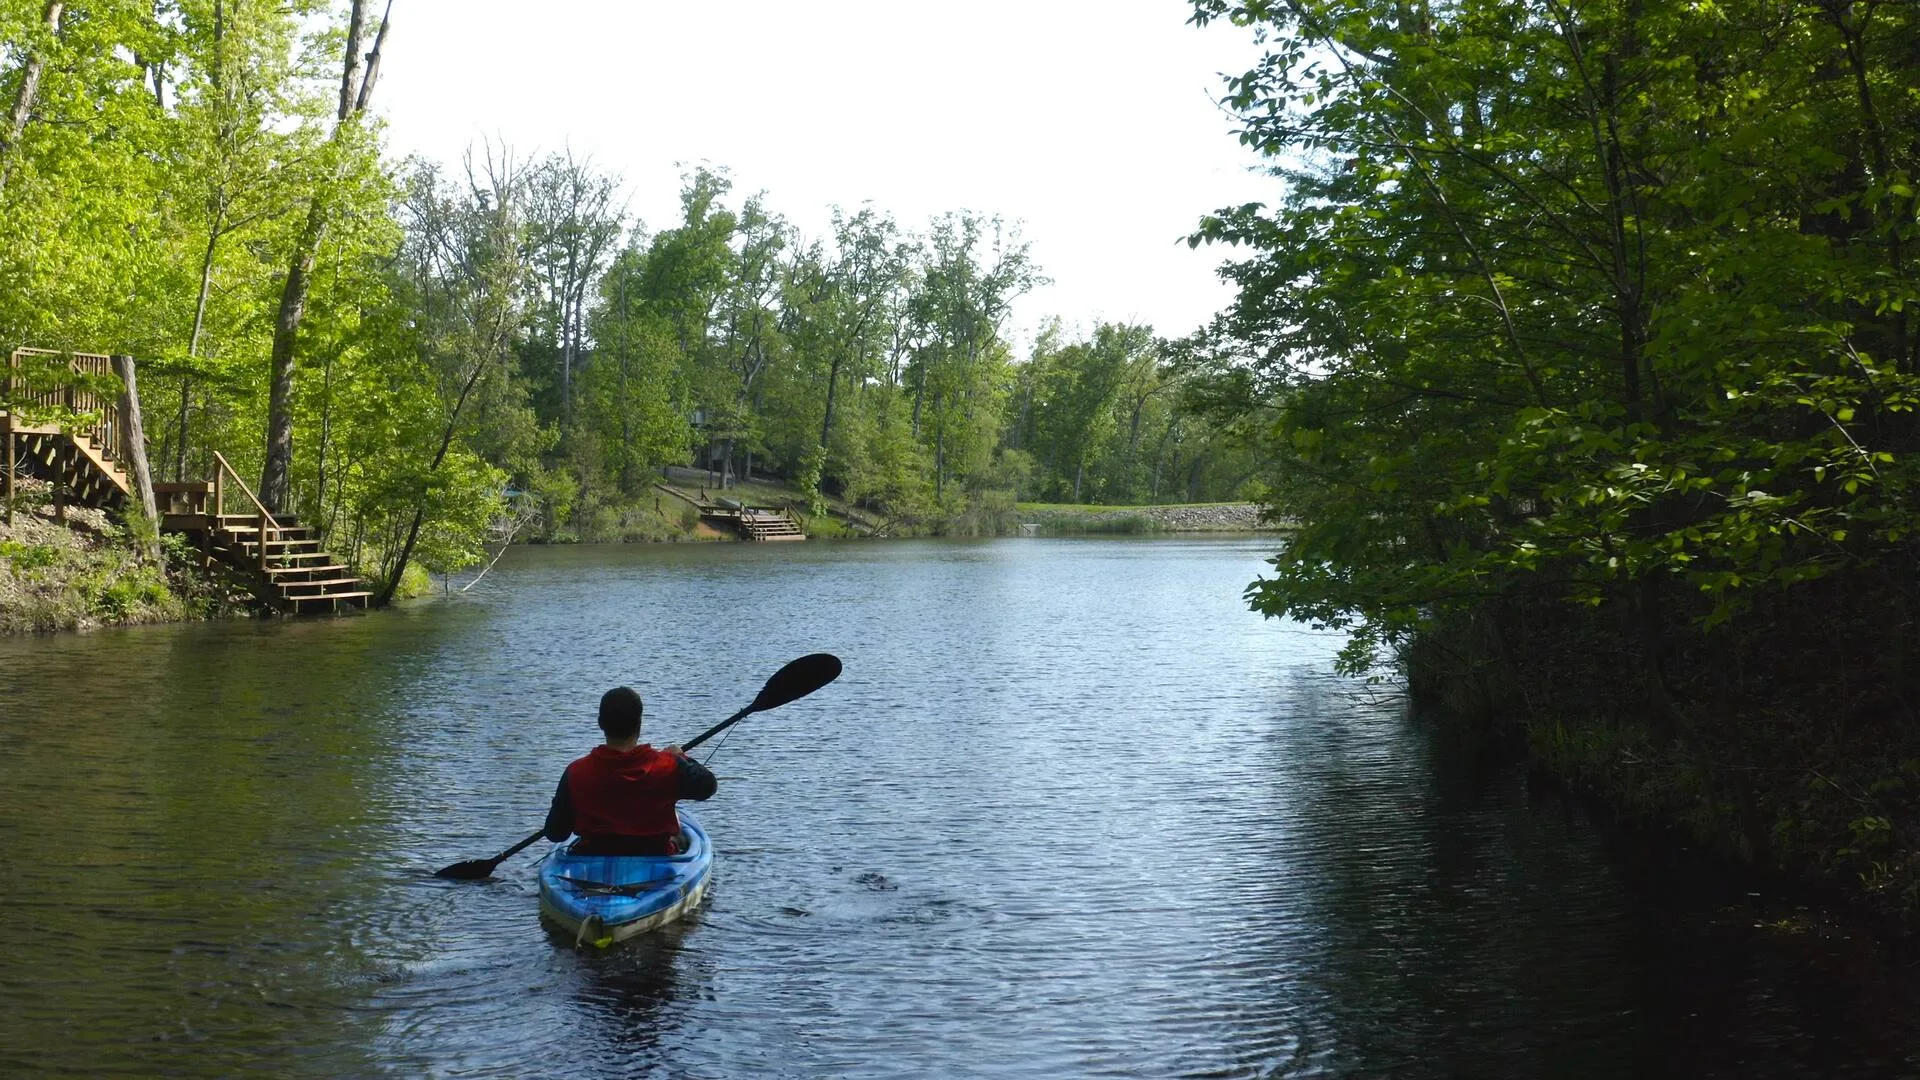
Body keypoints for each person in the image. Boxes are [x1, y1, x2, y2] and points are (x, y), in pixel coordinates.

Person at [543, 687, 717, 855]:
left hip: (593, 859)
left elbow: (556, 833)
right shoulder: (668, 765)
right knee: (680, 836)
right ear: (639, 724)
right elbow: (708, 786)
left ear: (600, 723)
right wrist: (681, 758)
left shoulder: (575, 772)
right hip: (656, 857)